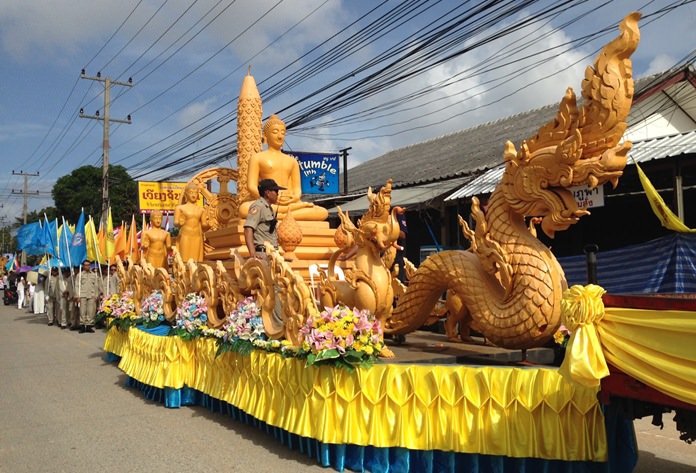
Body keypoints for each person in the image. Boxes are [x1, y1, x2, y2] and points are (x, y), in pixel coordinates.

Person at [239, 114, 328, 221]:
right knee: (244, 209)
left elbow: (297, 190)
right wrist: (269, 197)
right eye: (275, 132)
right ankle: (284, 214)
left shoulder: (292, 161)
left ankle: (279, 215)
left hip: (289, 202)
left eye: (283, 133)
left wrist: (293, 198)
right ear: (265, 135)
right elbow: (251, 186)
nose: (280, 136)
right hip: (268, 200)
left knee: (322, 212)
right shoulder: (257, 158)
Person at [244, 178, 283, 259]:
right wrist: (252, 253)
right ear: (267, 193)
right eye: (275, 191)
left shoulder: (269, 209)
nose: (277, 194)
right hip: (262, 253)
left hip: (272, 253)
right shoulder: (258, 206)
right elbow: (248, 229)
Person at [174, 183, 208, 262]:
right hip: (185, 235)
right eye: (191, 192)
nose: (193, 195)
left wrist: (210, 224)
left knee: (197, 261)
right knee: (185, 260)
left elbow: (204, 225)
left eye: (195, 193)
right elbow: (175, 223)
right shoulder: (180, 208)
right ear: (186, 194)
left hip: (197, 236)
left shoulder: (201, 210)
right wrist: (180, 223)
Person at [74, 260, 102, 333]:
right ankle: (82, 326)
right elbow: (77, 286)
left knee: (91, 311)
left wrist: (96, 295)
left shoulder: (94, 275)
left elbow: (96, 286)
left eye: (88, 265)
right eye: (86, 265)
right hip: (82, 295)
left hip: (91, 295)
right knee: (82, 311)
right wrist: (77, 295)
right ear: (83, 266)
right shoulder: (79, 275)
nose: (87, 266)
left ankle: (89, 325)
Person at [393, 206, 408, 283]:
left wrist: (393, 230)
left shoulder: (399, 215)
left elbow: (403, 235)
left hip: (398, 250)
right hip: (385, 252)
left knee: (399, 265)